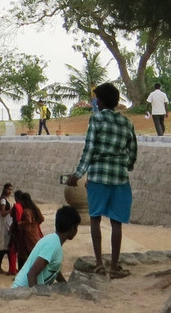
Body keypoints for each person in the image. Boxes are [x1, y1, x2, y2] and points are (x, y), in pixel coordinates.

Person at [66, 82, 137, 279]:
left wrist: (77, 175)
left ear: (102, 100)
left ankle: (99, 263)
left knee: (95, 219)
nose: (95, 100)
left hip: (97, 176)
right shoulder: (127, 123)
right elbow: (133, 151)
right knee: (116, 223)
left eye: (97, 97)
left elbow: (89, 150)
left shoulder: (95, 120)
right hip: (120, 178)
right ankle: (114, 265)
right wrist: (126, 166)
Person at [11, 205, 81, 288]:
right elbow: (32, 274)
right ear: (73, 228)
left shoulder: (54, 241)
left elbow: (55, 270)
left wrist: (67, 286)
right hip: (22, 289)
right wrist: (36, 298)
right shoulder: (52, 244)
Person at [12, 191, 45, 266]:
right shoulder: (35, 209)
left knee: (23, 257)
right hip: (35, 234)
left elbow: (28, 220)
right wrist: (35, 225)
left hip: (26, 236)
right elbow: (41, 219)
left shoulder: (26, 211)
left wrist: (21, 224)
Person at [0, 182, 14, 274]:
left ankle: (8, 267)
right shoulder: (3, 200)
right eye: (8, 189)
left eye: (11, 189)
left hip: (7, 224)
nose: (10, 191)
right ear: (5, 189)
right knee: (6, 247)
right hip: (4, 225)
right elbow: (3, 213)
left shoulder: (7, 199)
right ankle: (1, 266)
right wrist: (11, 210)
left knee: (6, 247)